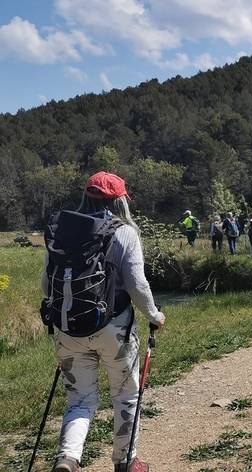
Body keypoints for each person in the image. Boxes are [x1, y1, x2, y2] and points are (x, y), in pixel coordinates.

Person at [41, 171, 166, 472]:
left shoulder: (61, 232)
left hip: (68, 328)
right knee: (125, 394)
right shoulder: (124, 232)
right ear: (120, 200)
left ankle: (67, 459)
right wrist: (154, 316)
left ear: (86, 196)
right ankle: (126, 462)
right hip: (114, 328)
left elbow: (47, 286)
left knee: (80, 399)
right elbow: (137, 285)